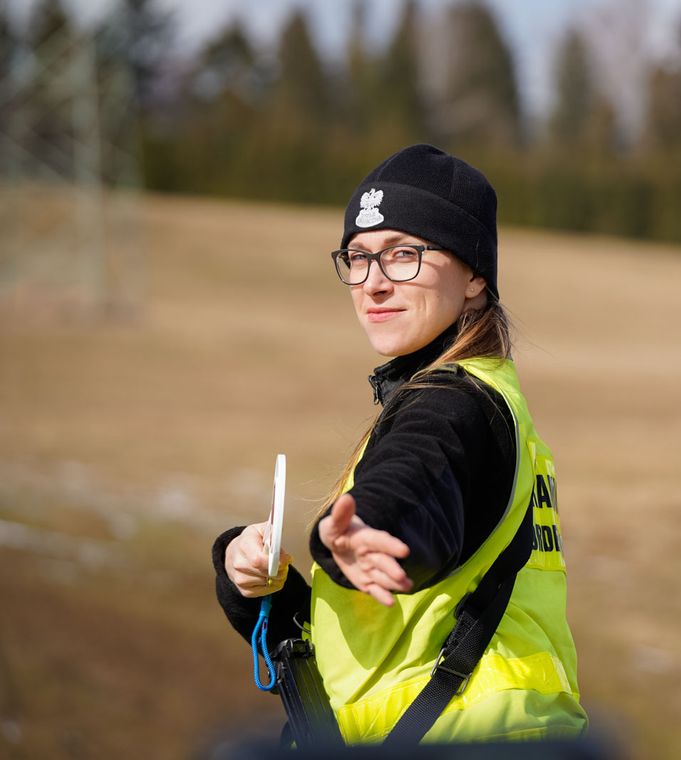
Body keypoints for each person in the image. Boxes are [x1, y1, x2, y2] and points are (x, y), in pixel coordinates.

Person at [211, 144, 588, 744]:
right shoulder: (491, 398)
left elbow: (417, 475)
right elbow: (386, 640)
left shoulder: (454, 403)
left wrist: (368, 523)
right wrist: (265, 585)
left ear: (474, 275)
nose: (374, 284)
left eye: (403, 255)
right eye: (357, 259)